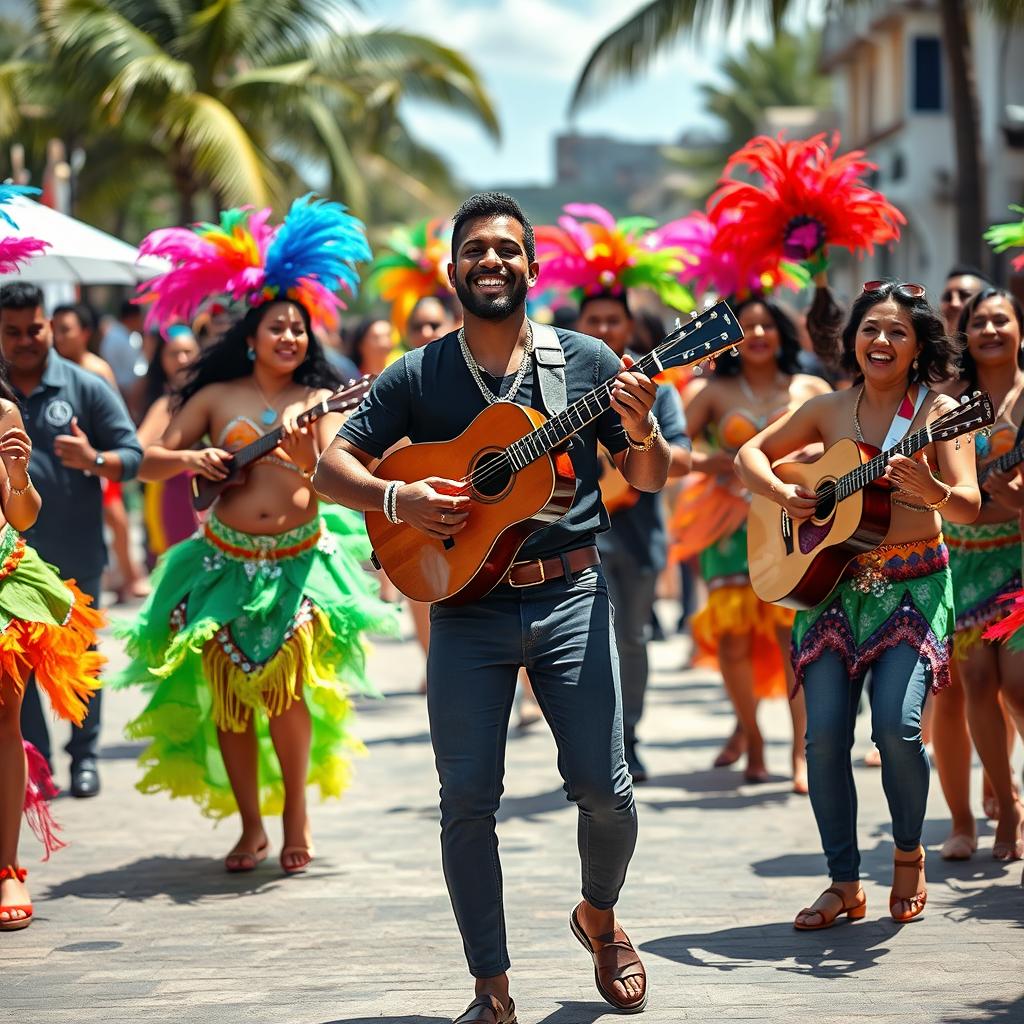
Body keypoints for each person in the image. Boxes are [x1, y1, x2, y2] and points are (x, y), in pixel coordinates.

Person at [315, 192, 668, 1023]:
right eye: (476, 250)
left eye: (508, 250)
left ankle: (601, 918)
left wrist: (644, 434)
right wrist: (397, 499)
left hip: (571, 593)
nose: (492, 262)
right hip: (465, 609)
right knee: (467, 800)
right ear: (452, 270)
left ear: (533, 269)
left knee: (604, 789)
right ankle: (492, 989)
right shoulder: (417, 373)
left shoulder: (583, 361)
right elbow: (332, 468)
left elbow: (646, 479)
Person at [114, 196, 393, 875]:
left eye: (299, 329)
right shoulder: (214, 396)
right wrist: (193, 461)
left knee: (286, 692)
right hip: (223, 564)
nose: (291, 338)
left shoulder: (317, 403)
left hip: (299, 564)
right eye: (278, 328)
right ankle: (250, 828)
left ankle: (295, 814)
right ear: (252, 336)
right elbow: (149, 461)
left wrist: (301, 454)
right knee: (232, 700)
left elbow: (334, 475)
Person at [736, 280, 979, 928]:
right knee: (822, 742)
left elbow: (970, 503)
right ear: (853, 340)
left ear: (919, 344)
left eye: (898, 331)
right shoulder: (828, 409)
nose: (882, 341)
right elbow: (749, 454)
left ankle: (907, 852)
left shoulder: (941, 414)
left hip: (911, 585)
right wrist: (784, 495)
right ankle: (843, 882)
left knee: (897, 732)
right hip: (831, 587)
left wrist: (930, 489)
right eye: (871, 329)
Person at [0, 282, 143, 798]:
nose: (25, 340)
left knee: (81, 653)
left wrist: (95, 460)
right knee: (17, 664)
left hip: (76, 550)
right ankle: (35, 764)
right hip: (9, 563)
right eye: (11, 331)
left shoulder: (83, 386)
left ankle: (84, 757)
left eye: (34, 328)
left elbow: (133, 454)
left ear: (49, 324)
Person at [682, 297, 829, 789]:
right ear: (729, 336)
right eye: (748, 326)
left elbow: (847, 447)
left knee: (797, 640)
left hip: (796, 525)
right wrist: (717, 464)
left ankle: (800, 752)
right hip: (729, 524)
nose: (759, 333)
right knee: (734, 640)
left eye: (768, 324)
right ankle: (754, 739)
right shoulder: (711, 391)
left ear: (783, 332)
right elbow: (666, 451)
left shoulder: (809, 388)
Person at [0, 356, 105, 930]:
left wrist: (18, 474)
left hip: (3, 586)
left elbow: (21, 511)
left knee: (3, 721)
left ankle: (8, 867)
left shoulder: (2, 413)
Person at [577, 292, 691, 782]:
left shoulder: (658, 391)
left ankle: (629, 740)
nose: (603, 327)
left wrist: (645, 437)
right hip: (583, 537)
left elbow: (682, 458)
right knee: (588, 644)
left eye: (613, 320)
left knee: (632, 640)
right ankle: (597, 742)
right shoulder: (564, 387)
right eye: (593, 319)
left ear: (630, 326)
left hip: (641, 537)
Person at [941, 288, 1024, 861]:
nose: (990, 329)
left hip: (1020, 556)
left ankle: (1010, 793)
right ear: (964, 335)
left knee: (1017, 685)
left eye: (1002, 319)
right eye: (979, 323)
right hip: (963, 559)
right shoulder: (948, 403)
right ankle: (1005, 810)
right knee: (976, 684)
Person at [53, 302, 149, 602]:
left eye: (65, 329)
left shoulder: (96, 369)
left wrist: (99, 456)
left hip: (98, 460)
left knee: (114, 515)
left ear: (84, 333)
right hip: (64, 463)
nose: (58, 336)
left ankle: (130, 576)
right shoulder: (48, 368)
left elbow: (113, 422)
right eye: (54, 329)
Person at [136, 325, 201, 561]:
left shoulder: (216, 394)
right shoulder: (165, 405)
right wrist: (188, 459)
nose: (182, 359)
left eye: (188, 351)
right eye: (174, 353)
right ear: (161, 360)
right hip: (174, 503)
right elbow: (138, 453)